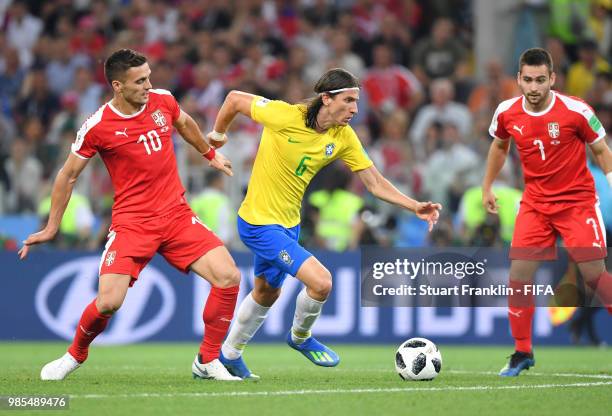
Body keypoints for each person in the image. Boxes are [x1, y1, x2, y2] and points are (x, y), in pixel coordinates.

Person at [18, 49, 243, 382]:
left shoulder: (163, 100)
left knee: (229, 277)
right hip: (132, 224)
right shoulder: (97, 126)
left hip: (176, 215)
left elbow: (184, 122)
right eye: (140, 81)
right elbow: (67, 176)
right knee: (109, 302)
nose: (149, 85)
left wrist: (209, 154)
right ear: (117, 86)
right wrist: (52, 226)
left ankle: (207, 360)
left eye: (149, 77)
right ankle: (74, 355)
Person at [207, 68, 442, 379]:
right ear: (326, 99)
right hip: (258, 223)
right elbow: (235, 99)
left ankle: (229, 355)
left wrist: (415, 206)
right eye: (348, 100)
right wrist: (218, 136)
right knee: (321, 282)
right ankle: (300, 337)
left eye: (357, 102)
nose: (355, 109)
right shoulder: (284, 115)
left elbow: (374, 183)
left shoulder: (343, 136)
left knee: (266, 293)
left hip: (289, 225)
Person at [482, 48, 612, 377]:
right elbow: (499, 146)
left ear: (552, 79)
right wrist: (487, 186)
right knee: (518, 277)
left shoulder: (576, 111)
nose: (535, 87)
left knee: (594, 276)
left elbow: (600, 148)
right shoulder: (507, 112)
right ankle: (522, 352)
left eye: (541, 80)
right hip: (536, 204)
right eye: (528, 80)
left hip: (577, 203)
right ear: (519, 80)